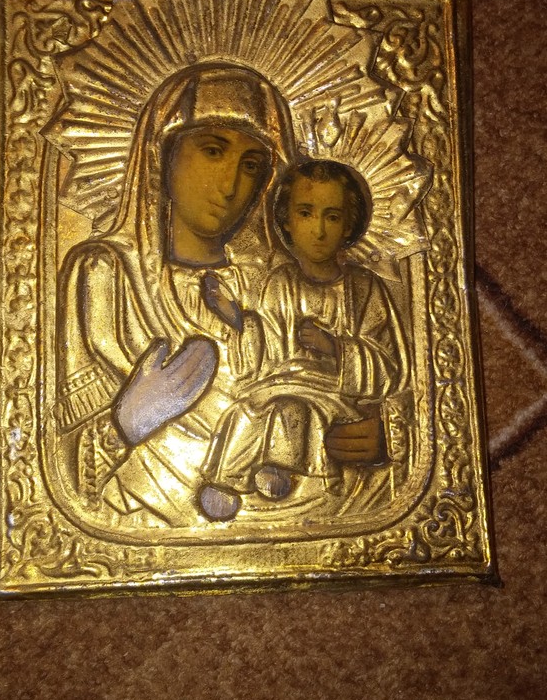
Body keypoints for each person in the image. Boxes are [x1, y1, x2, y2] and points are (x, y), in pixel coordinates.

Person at [55, 63, 294, 528]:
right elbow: (59, 474)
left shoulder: (272, 289)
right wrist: (127, 423)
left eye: (251, 166)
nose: (230, 185)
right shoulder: (106, 276)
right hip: (137, 514)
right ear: (162, 155)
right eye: (212, 151)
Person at [200, 159, 408, 509]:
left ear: (348, 225)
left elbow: (389, 365)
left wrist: (336, 347)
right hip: (280, 383)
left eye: (332, 217)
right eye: (306, 214)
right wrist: (235, 318)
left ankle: (279, 471)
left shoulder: (363, 288)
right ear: (287, 222)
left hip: (329, 394)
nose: (319, 230)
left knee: (290, 411)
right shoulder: (278, 283)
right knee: (243, 412)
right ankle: (226, 482)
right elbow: (264, 356)